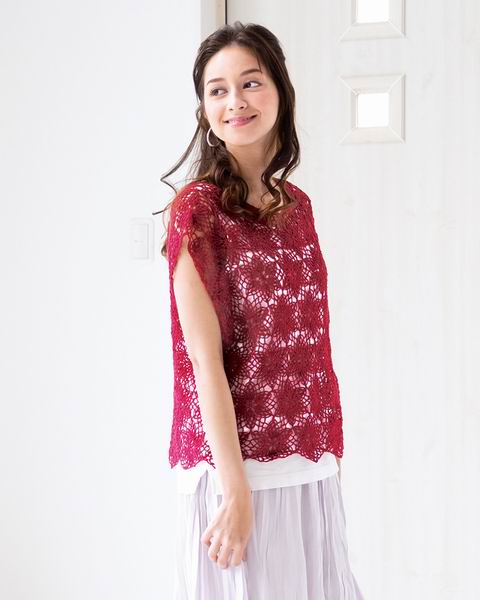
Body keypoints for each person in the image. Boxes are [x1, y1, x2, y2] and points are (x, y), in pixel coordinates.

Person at [154, 21, 365, 600]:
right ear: (204, 110)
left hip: (308, 461)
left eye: (250, 83)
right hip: (236, 471)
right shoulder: (196, 210)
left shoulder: (298, 207)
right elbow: (204, 363)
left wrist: (329, 458)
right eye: (217, 90)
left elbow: (313, 346)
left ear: (279, 93)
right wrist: (236, 491)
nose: (235, 102)